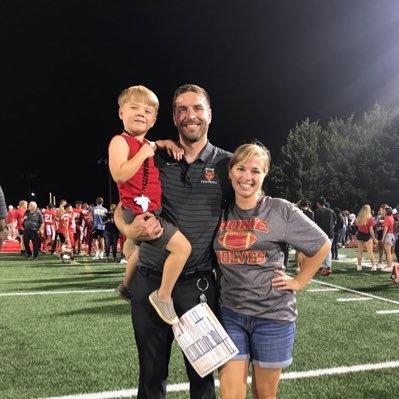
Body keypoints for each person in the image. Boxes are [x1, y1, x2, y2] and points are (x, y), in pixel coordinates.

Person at [114, 83, 231, 399]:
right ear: (174, 117)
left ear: (209, 114)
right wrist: (129, 232)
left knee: (203, 377)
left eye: (197, 108)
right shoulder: (155, 156)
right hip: (150, 282)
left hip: (199, 286)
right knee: (151, 377)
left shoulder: (228, 165)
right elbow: (120, 210)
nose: (190, 115)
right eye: (182, 109)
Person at [214, 143, 330, 399]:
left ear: (265, 173)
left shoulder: (280, 209)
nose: (247, 177)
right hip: (230, 313)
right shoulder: (220, 210)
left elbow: (322, 244)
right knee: (230, 395)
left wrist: (299, 281)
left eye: (255, 170)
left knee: (264, 394)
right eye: (241, 168)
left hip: (273, 317)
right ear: (231, 171)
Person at [108, 85, 191, 324]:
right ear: (121, 112)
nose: (141, 113)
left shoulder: (145, 143)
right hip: (140, 213)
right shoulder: (120, 142)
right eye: (134, 107)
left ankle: (125, 286)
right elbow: (120, 175)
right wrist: (144, 153)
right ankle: (163, 296)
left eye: (147, 110)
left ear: (154, 119)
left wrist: (164, 143)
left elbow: (155, 144)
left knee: (141, 249)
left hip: (147, 210)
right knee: (182, 249)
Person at [314, 196, 336, 275]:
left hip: (321, 234)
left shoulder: (317, 211)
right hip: (330, 234)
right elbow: (334, 223)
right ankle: (328, 267)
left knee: (318, 251)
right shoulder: (331, 211)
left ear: (318, 203)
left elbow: (315, 224)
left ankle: (320, 267)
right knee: (328, 251)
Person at [355, 204, 377, 271]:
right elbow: (371, 230)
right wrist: (374, 238)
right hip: (367, 235)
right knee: (370, 251)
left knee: (360, 251)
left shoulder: (358, 217)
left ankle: (359, 266)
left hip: (360, 234)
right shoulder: (370, 219)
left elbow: (356, 227)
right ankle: (373, 266)